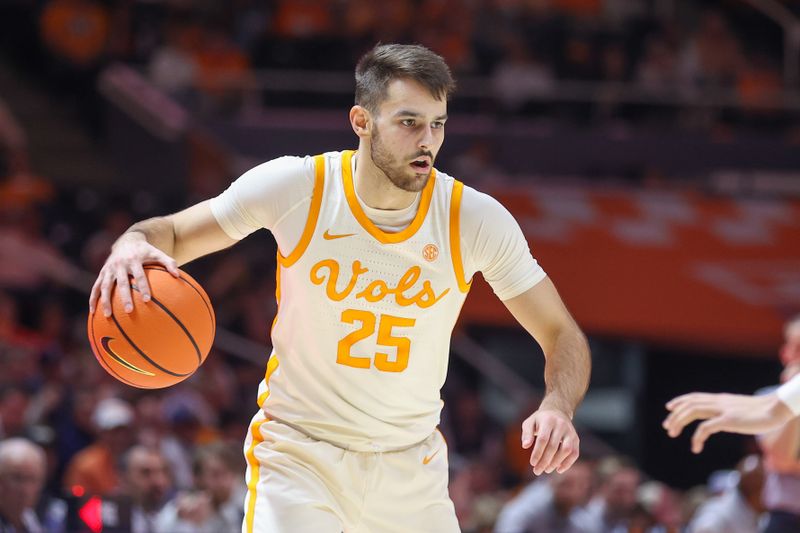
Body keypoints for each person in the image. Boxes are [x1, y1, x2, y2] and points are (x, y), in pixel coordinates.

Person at [88, 43, 591, 532]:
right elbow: (172, 233)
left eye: (437, 124)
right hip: (301, 454)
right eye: (409, 122)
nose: (427, 141)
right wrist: (130, 244)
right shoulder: (298, 188)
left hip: (409, 465)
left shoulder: (474, 219)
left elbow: (560, 332)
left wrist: (558, 405)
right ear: (362, 122)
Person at [663, 315, 800, 453]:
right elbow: (782, 458)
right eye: (792, 347)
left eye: (799, 348)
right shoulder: (768, 397)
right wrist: (791, 400)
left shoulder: (771, 401)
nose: (790, 355)